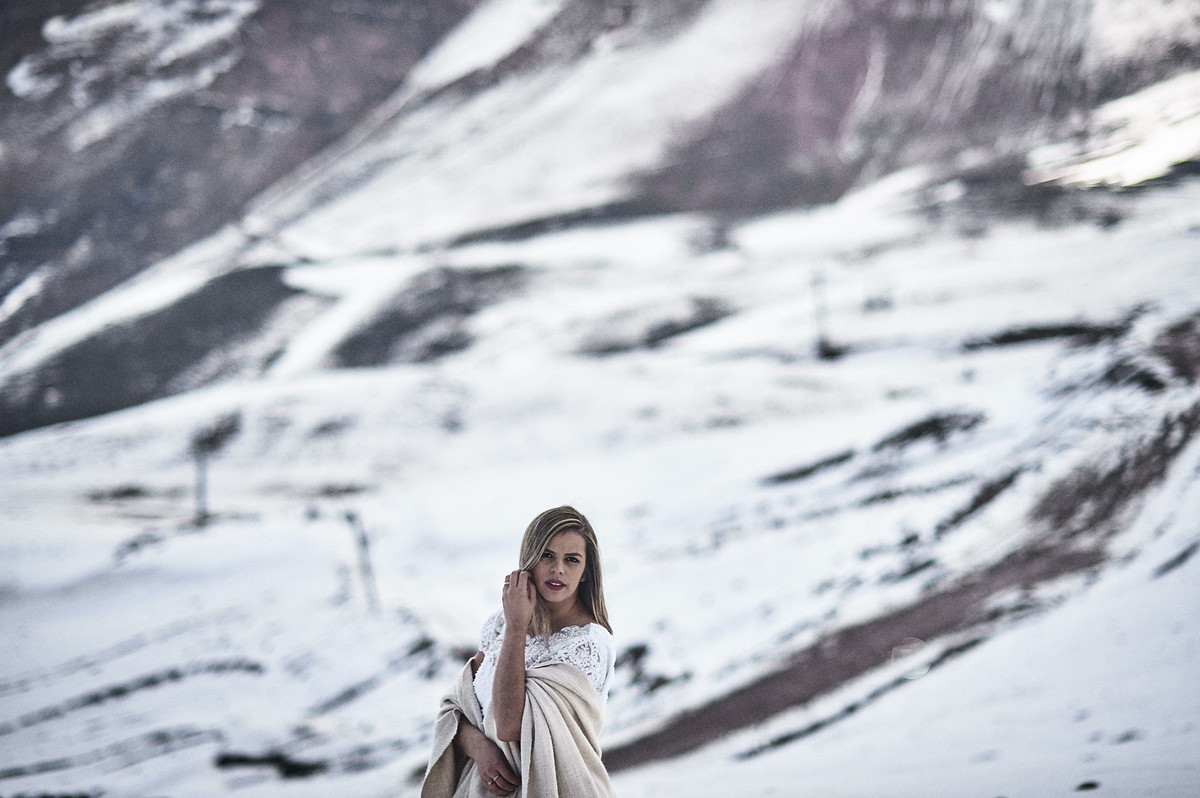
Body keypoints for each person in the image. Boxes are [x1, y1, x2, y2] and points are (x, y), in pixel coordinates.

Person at [421, 506, 617, 798]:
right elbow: (454, 710)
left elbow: (510, 726)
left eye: (571, 559)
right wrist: (480, 749)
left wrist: (516, 628)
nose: (558, 569)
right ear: (529, 559)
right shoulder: (500, 623)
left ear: (586, 573)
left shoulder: (587, 645)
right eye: (547, 555)